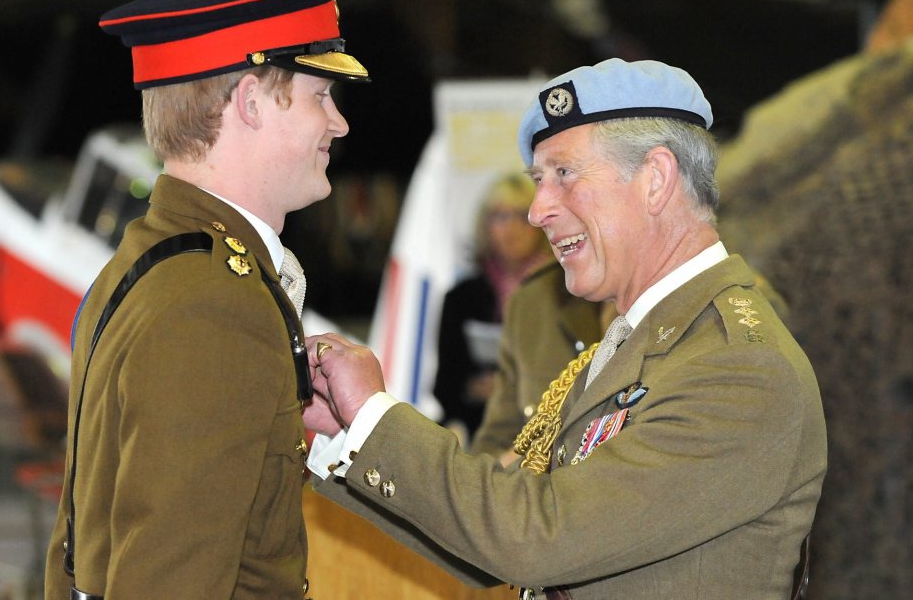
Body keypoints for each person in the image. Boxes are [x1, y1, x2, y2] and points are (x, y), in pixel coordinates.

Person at [303, 58, 827, 599]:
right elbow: (498, 531)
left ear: (656, 180)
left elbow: (536, 539)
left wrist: (375, 417)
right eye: (538, 181)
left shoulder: (737, 368)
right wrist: (344, 431)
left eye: (564, 175)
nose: (537, 211)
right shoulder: (645, 342)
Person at [44, 0, 368, 598]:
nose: (339, 123)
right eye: (319, 96)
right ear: (250, 102)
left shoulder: (151, 263)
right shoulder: (214, 304)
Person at [433, 172, 552, 443]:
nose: (511, 228)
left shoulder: (564, 291)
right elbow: (443, 387)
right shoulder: (461, 297)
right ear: (485, 225)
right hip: (479, 424)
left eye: (522, 215)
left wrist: (518, 388)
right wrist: (473, 389)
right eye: (500, 216)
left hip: (546, 425)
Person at [468, 262, 610, 463]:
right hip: (531, 487)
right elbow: (497, 437)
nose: (543, 227)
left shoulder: (659, 303)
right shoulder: (533, 300)